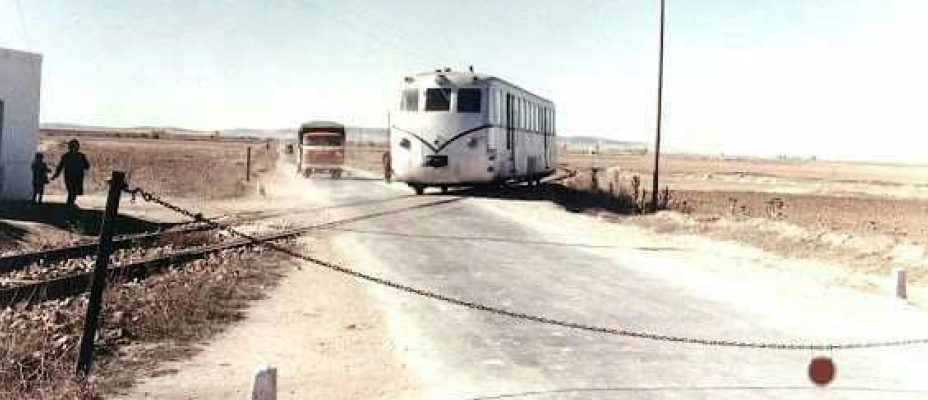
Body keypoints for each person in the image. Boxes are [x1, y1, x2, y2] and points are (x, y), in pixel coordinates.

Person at [51, 139, 91, 208]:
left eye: (75, 146)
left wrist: (55, 175)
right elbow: (60, 167)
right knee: (72, 192)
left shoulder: (72, 156)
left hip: (76, 177)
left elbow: (87, 166)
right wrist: (55, 176)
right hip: (72, 177)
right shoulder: (77, 156)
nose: (74, 148)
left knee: (73, 192)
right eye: (73, 146)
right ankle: (70, 205)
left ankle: (70, 205)